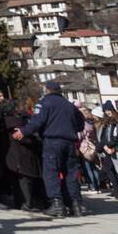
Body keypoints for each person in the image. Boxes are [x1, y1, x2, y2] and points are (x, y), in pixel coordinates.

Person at [17, 80, 85, 218]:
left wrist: (23, 131)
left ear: (47, 90)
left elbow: (37, 122)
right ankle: (75, 205)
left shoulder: (44, 103)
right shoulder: (69, 105)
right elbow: (80, 124)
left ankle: (56, 205)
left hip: (52, 142)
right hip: (70, 142)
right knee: (71, 174)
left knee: (51, 173)